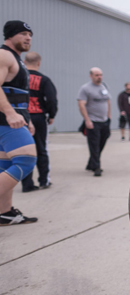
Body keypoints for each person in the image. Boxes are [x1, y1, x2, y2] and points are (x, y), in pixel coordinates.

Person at [0, 20, 38, 225]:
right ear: (10, 35)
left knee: (4, 164)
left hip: (13, 120)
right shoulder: (4, 55)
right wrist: (10, 113)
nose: (28, 37)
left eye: (30, 34)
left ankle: (4, 213)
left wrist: (27, 119)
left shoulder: (15, 59)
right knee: (25, 160)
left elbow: (19, 95)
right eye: (23, 33)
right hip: (6, 120)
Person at [20, 51, 57, 192]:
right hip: (39, 117)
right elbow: (52, 99)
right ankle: (43, 181)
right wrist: (51, 114)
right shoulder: (44, 80)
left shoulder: (19, 78)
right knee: (41, 149)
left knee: (25, 151)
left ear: (24, 61)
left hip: (21, 117)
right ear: (39, 63)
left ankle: (27, 184)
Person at [78, 67, 111, 177]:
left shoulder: (104, 86)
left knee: (102, 142)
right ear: (91, 76)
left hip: (104, 121)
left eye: (100, 75)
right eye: (96, 75)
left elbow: (108, 102)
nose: (99, 77)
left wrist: (109, 117)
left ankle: (91, 163)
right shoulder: (85, 88)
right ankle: (97, 167)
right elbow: (81, 104)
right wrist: (87, 120)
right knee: (94, 145)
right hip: (93, 121)